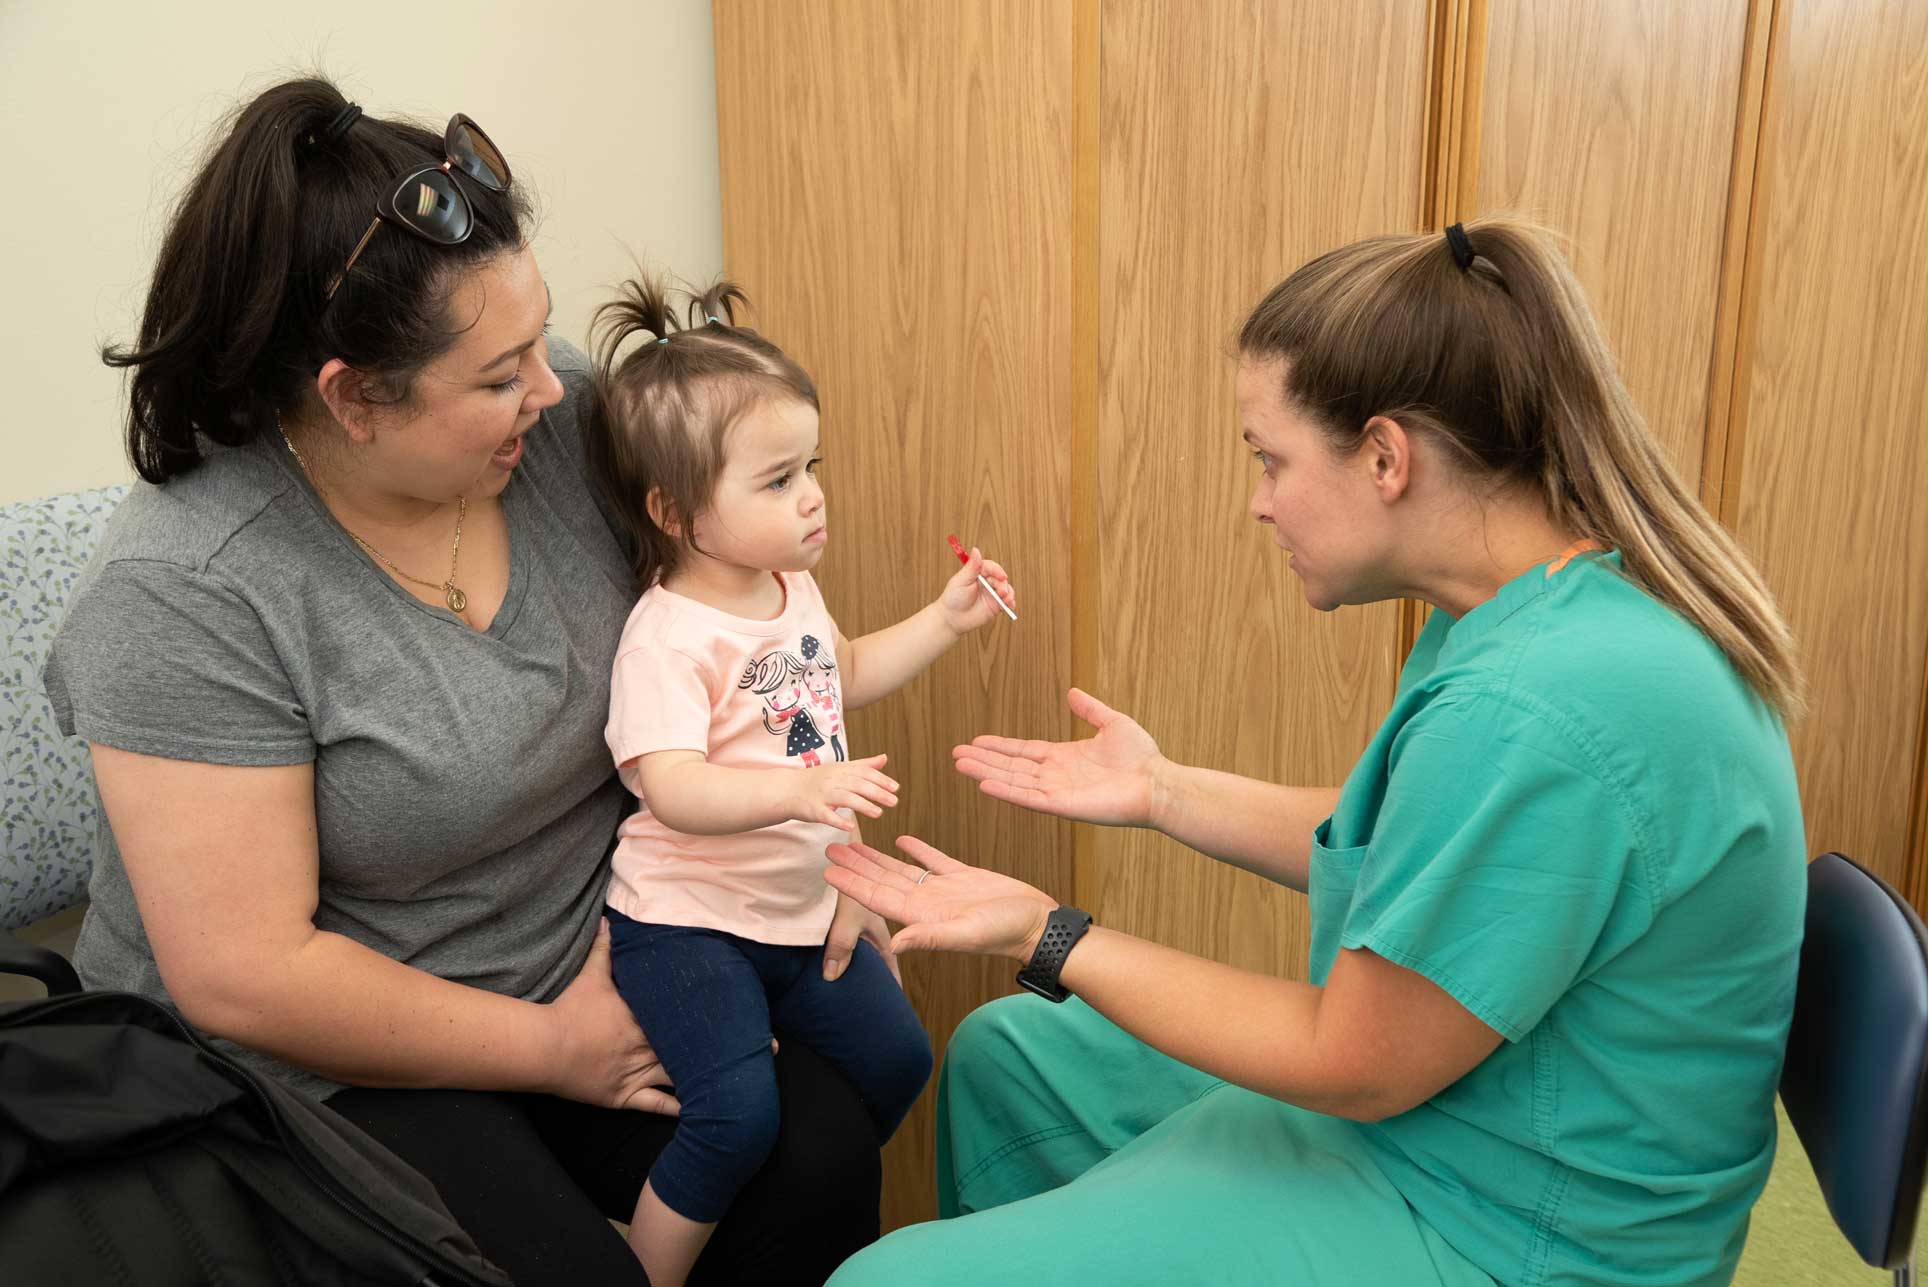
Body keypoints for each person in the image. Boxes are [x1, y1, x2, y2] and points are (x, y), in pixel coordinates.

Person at [820, 218, 1807, 1287]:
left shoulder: (1537, 705)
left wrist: (1045, 932)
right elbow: (1432, 850)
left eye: (1269, 459)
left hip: (1514, 1226)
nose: (1258, 500)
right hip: (1469, 1119)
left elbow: (1353, 1064)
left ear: (1385, 457)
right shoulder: (1533, 612)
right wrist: (1161, 790)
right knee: (1015, 1060)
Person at [44, 77, 880, 1286]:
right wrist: (552, 1050)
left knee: (814, 1154)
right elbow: (246, 976)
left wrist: (814, 870)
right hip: (339, 1056)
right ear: (354, 399)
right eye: (497, 377)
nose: (549, 389)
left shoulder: (562, 431)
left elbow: (752, 659)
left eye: (534, 342)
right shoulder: (186, 591)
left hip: (615, 947)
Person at [581, 276, 1017, 1285]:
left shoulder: (790, 589)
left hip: (795, 909)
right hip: (686, 923)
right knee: (735, 1122)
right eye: (776, 481)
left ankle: (767, 1215)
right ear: (677, 512)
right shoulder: (668, 636)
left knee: (902, 1059)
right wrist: (797, 795)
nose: (812, 494)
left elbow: (843, 672)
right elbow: (671, 786)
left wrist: (946, 620)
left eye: (808, 467)